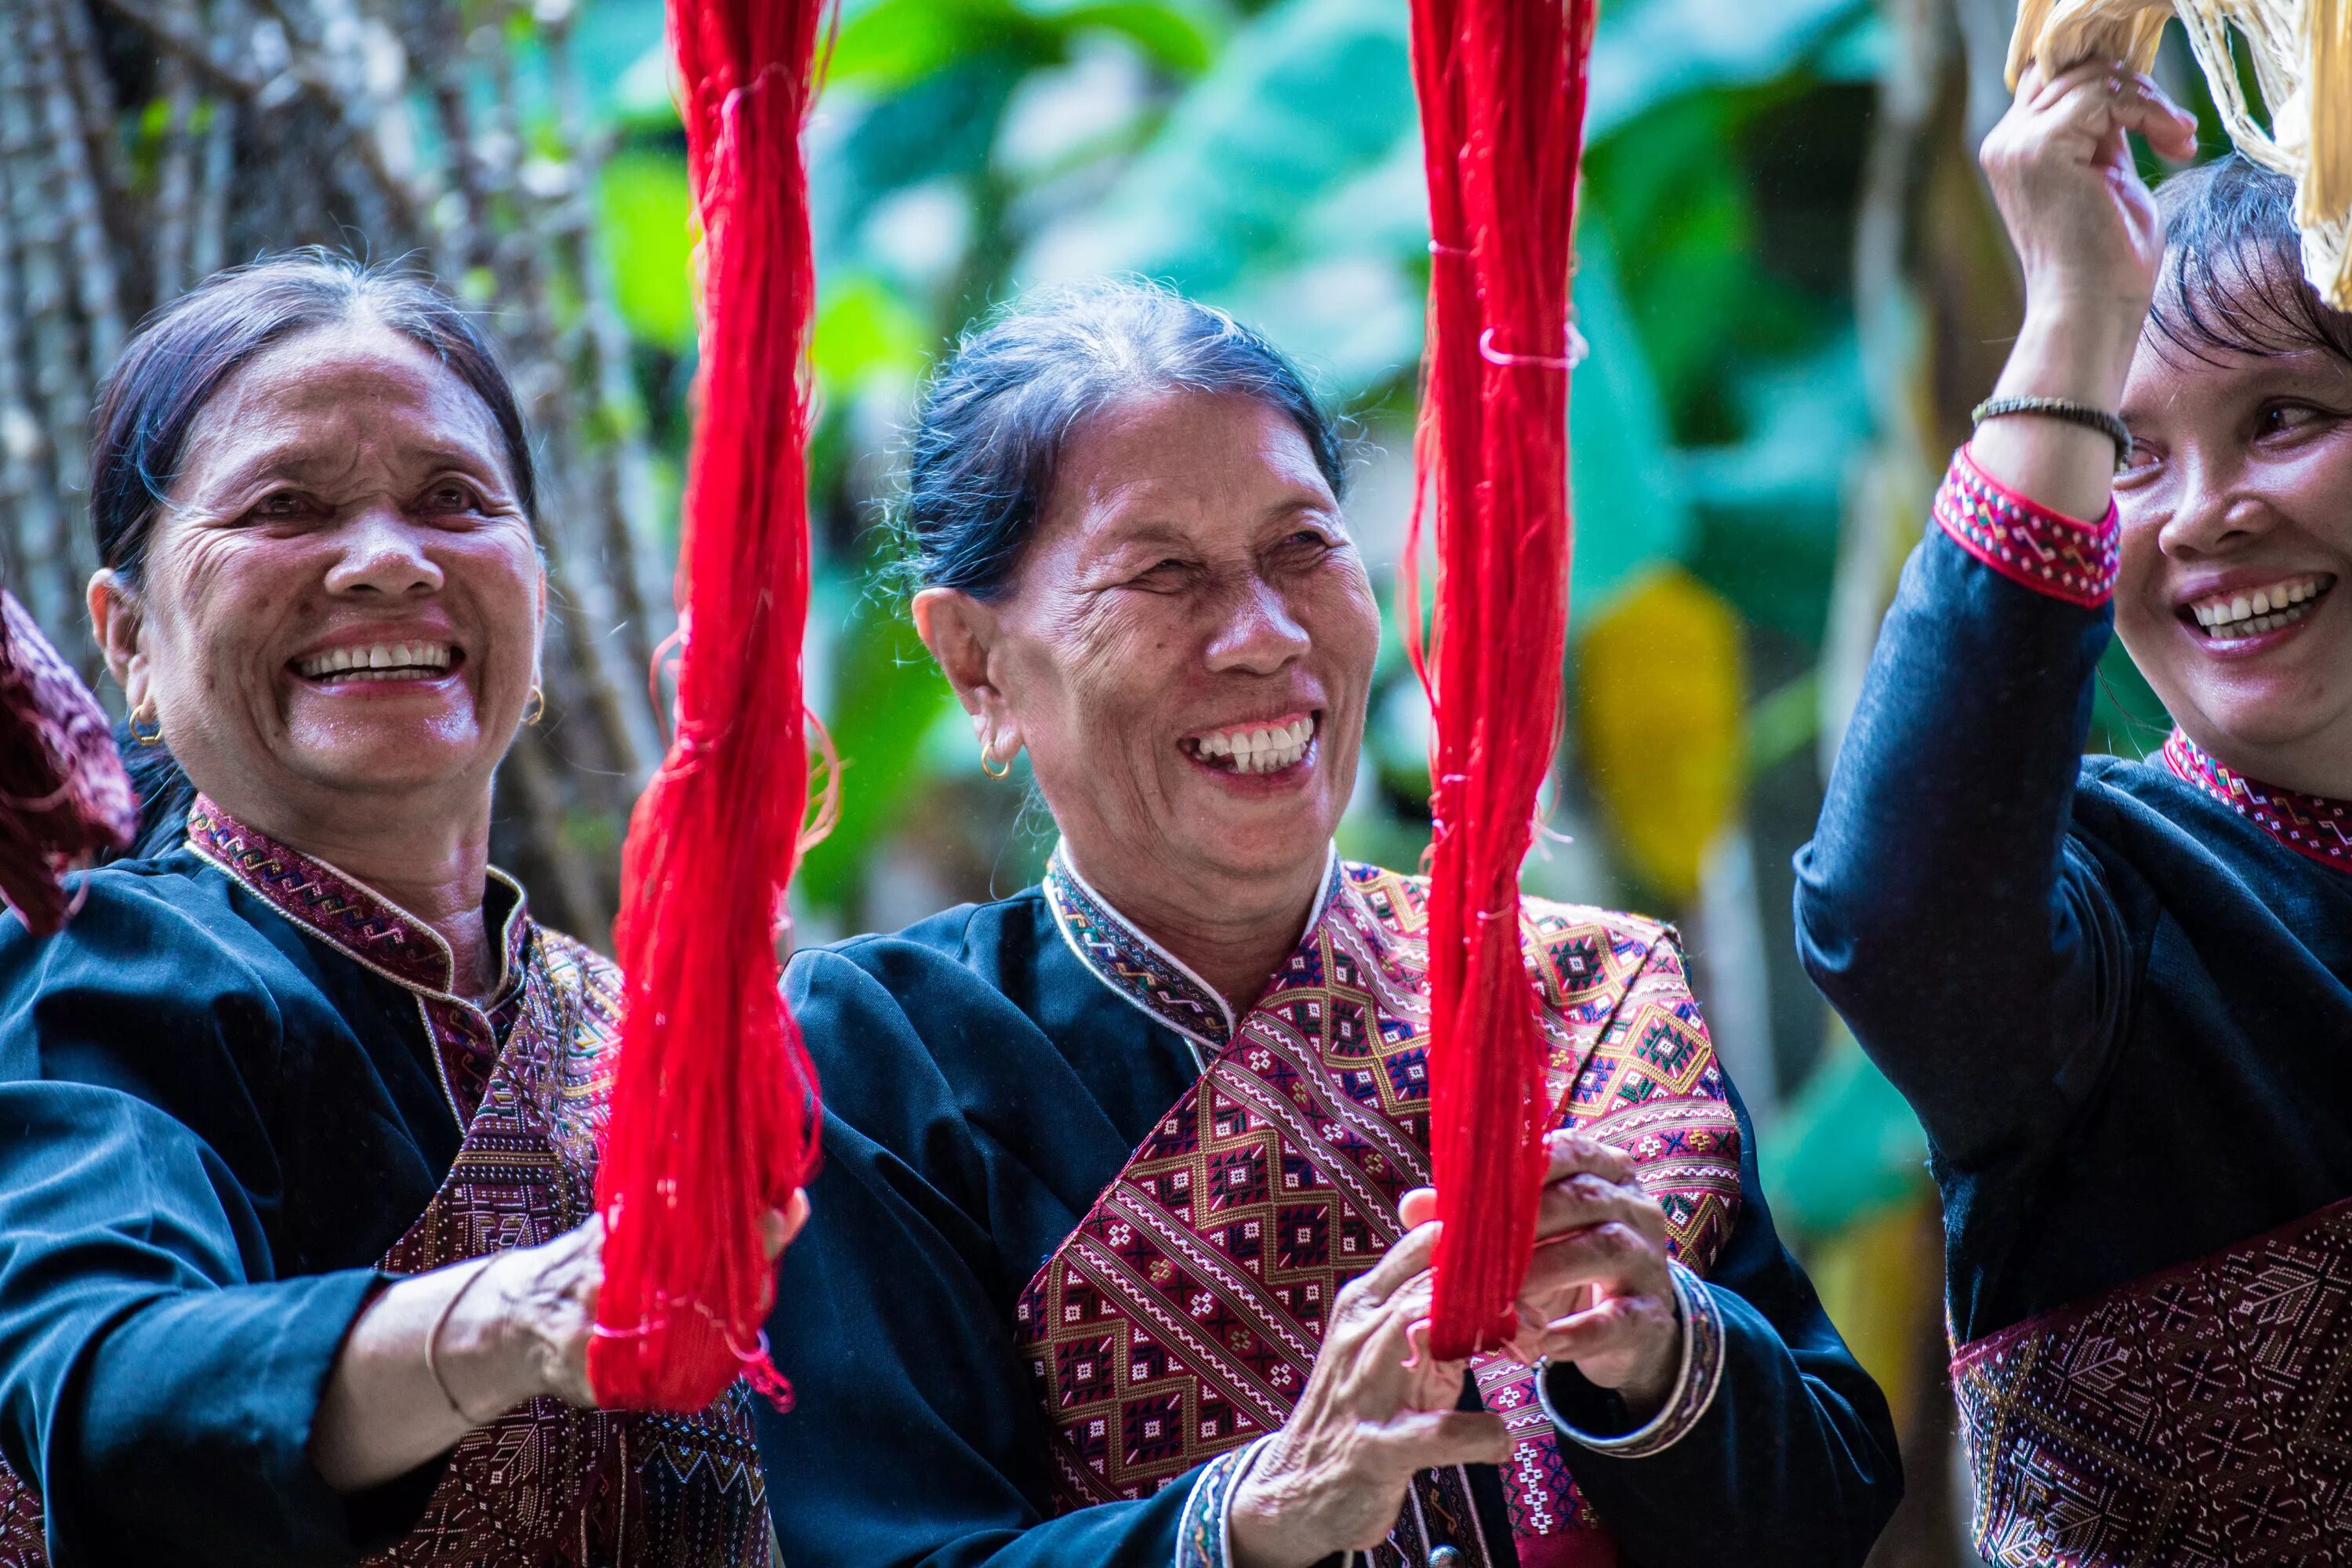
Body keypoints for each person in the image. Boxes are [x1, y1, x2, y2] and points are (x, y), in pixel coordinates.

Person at [757, 281, 1900, 1568]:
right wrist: (1253, 1518)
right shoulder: (877, 1058)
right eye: (1161, 574)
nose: (1264, 634)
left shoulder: (1576, 995)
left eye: (1305, 546)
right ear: (977, 661)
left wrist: (1658, 1351)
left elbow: (1830, 1505)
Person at [0, 252, 803, 1567]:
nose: (386, 562)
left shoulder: (634, 1030)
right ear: (129, 639)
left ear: (534, 598)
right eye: (284, 507)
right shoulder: (97, 978)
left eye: (454, 501)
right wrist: (533, 1313)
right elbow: (109, 1396)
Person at [1795, 60, 2352, 1567]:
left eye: (2287, 416)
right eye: (2135, 454)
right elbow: (1890, 917)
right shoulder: (2107, 910)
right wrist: (2067, 323)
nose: (2200, 514)